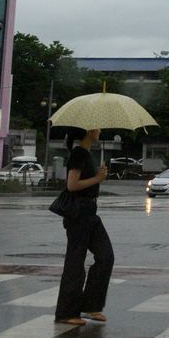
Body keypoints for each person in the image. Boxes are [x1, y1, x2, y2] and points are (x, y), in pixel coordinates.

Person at [54, 128, 114, 325]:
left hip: (90, 213)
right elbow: (72, 185)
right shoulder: (79, 153)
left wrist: (99, 176)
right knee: (75, 262)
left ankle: (91, 305)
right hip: (78, 214)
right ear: (87, 131)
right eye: (96, 127)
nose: (99, 130)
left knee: (106, 256)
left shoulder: (86, 153)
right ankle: (67, 313)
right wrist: (97, 179)